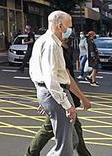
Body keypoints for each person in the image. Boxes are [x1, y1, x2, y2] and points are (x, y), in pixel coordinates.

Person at [27, 24, 93, 156]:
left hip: (60, 97)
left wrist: (45, 99)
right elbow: (66, 79)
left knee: (72, 136)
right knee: (66, 136)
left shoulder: (56, 47)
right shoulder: (56, 49)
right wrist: (83, 99)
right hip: (62, 98)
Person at [29, 11, 79, 156]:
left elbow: (34, 71)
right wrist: (66, 104)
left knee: (73, 140)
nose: (70, 30)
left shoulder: (44, 41)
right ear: (60, 25)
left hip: (53, 93)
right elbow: (50, 78)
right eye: (69, 26)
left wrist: (44, 97)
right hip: (57, 93)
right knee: (65, 148)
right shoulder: (51, 44)